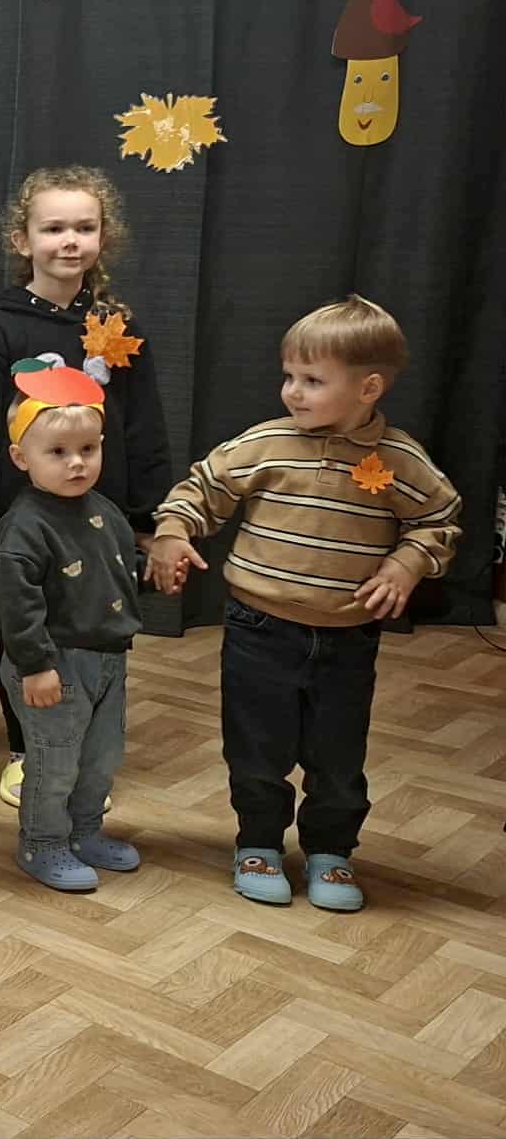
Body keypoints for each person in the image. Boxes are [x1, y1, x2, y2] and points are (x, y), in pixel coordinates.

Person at [148, 296, 460, 911]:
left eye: (312, 380)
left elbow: (439, 519)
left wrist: (406, 562)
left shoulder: (400, 460)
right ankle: (258, 843)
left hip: (347, 637)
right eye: (289, 375)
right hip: (258, 628)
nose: (293, 391)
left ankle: (331, 851)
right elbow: (202, 489)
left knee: (338, 755)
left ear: (369, 388)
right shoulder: (266, 442)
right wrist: (172, 532)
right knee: (256, 750)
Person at [0, 166, 170, 807]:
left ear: (104, 237)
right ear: (22, 240)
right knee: (26, 623)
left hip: (101, 514)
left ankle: (84, 749)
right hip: (22, 515)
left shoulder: (118, 329)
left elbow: (144, 425)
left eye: (84, 227)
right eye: (53, 228)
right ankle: (26, 750)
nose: (69, 240)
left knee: (90, 621)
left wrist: (147, 517)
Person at [0, 361, 144, 893]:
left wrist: (151, 576)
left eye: (88, 449)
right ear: (21, 457)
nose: (76, 463)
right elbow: (18, 606)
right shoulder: (24, 527)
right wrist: (35, 666)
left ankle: (84, 832)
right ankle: (43, 841)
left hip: (106, 658)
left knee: (100, 759)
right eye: (57, 452)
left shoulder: (104, 511)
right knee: (54, 761)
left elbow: (116, 570)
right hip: (52, 663)